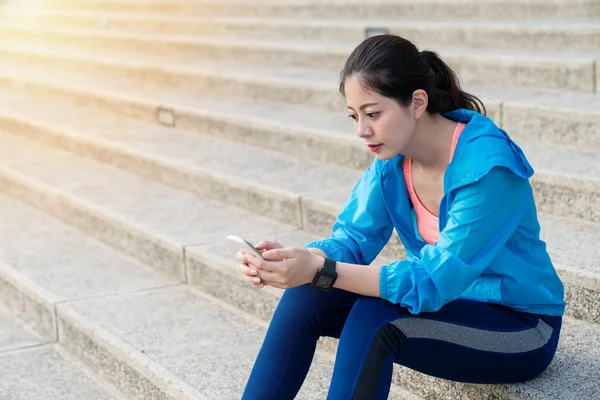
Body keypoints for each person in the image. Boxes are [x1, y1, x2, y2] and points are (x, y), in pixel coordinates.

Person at [236, 35, 566, 400]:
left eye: (373, 113)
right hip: (446, 305)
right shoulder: (393, 161)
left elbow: (431, 280)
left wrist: (323, 270)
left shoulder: (487, 168)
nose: (361, 130)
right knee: (308, 294)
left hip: (520, 327)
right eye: (354, 115)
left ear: (417, 103)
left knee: (373, 318)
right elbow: (351, 240)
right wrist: (297, 262)